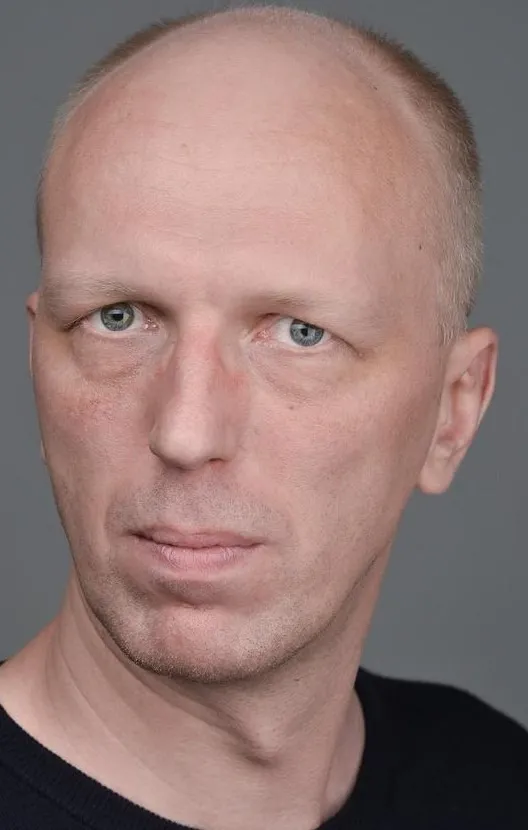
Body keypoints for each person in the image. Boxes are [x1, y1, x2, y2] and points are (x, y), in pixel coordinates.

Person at [0, 4, 526, 829]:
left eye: (300, 333)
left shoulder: (497, 784)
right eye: (118, 318)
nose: (186, 431)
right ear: (38, 363)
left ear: (453, 412)